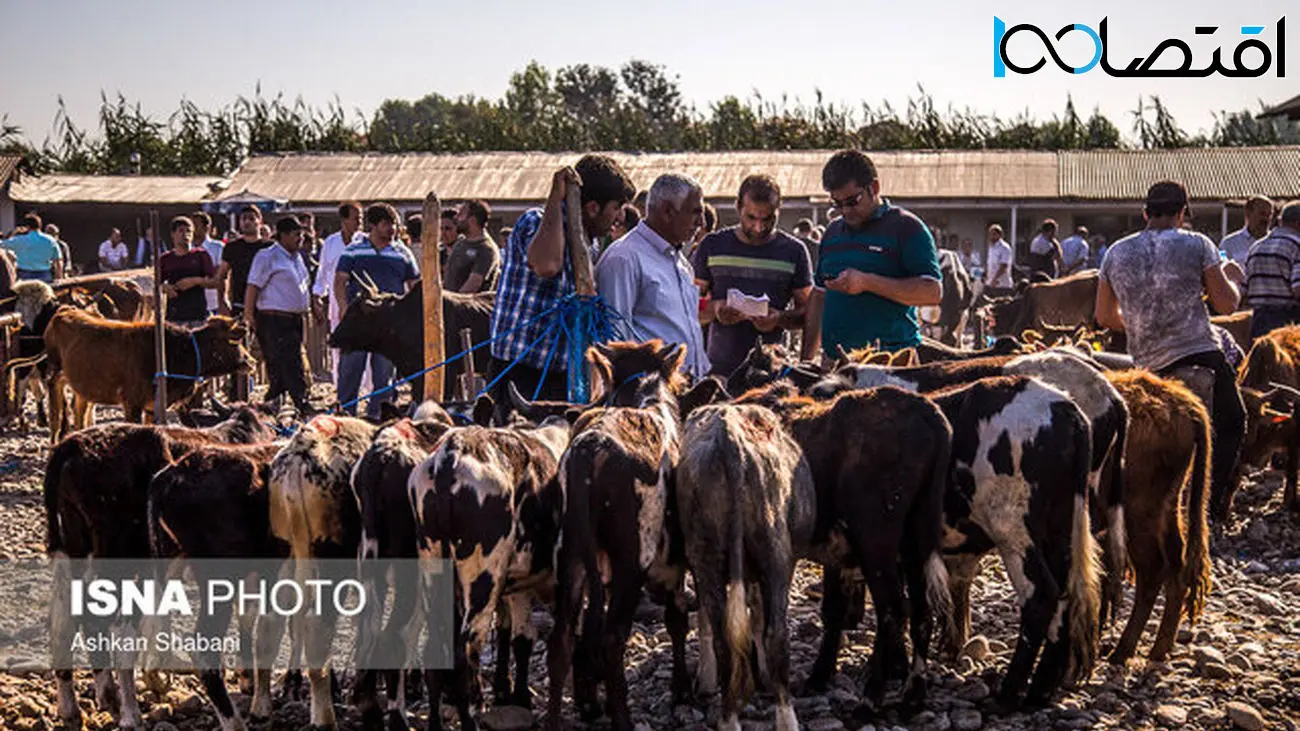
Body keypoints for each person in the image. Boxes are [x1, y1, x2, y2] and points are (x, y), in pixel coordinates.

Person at [1095, 180, 1245, 523]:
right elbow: (1226, 303)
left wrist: (1139, 321)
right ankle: (1209, 507)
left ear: (1145, 213)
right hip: (1198, 353)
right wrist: (1234, 276)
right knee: (1233, 421)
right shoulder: (1198, 244)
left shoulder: (1115, 252)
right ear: (1182, 213)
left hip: (1147, 365)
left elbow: (1104, 316)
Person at [490, 154, 635, 408]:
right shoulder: (536, 220)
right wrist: (555, 199)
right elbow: (547, 265)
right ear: (592, 208)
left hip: (561, 375)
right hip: (519, 370)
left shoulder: (590, 243)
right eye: (616, 207)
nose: (620, 216)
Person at [802, 150, 941, 359]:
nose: (846, 211)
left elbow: (932, 292)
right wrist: (806, 360)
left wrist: (867, 282)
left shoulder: (906, 227)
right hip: (835, 362)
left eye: (852, 201)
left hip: (891, 364)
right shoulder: (832, 232)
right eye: (837, 204)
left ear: (874, 188)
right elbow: (819, 296)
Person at [692, 173, 813, 378]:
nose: (759, 227)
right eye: (751, 218)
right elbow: (688, 307)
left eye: (768, 219)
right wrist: (717, 309)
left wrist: (778, 318)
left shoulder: (794, 251)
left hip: (771, 374)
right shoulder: (712, 246)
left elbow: (809, 314)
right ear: (738, 207)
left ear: (778, 210)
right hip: (718, 372)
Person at [595, 173, 710, 380]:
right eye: (695, 213)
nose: (701, 222)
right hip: (649, 396)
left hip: (684, 391)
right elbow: (614, 341)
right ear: (667, 211)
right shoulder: (624, 258)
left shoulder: (682, 263)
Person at [333, 203, 419, 419]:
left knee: (385, 377)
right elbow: (340, 280)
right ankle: (346, 415)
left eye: (394, 225)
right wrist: (343, 306)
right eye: (386, 224)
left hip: (389, 325)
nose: (391, 230)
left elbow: (414, 285)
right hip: (359, 322)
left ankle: (378, 418)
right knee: (350, 372)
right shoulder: (353, 250)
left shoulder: (403, 253)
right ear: (373, 225)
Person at [245, 216, 314, 414]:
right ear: (283, 235)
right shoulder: (267, 256)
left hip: (295, 318)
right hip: (274, 318)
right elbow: (253, 285)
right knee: (289, 361)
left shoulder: (297, 257)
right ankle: (301, 401)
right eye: (295, 234)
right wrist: (249, 314)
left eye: (301, 234)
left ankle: (271, 403)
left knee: (283, 364)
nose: (300, 238)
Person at [312, 201, 364, 381]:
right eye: (356, 218)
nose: (359, 222)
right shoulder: (330, 243)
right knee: (338, 344)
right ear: (344, 219)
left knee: (364, 345)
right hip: (337, 302)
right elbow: (323, 271)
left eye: (361, 218)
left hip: (361, 301)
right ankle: (340, 385)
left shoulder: (364, 241)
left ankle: (367, 388)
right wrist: (318, 295)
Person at [1243, 200, 1300, 338]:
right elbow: (1298, 289)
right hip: (1288, 324)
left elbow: (1245, 288)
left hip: (1258, 321)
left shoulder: (1255, 247)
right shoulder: (1296, 246)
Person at [158, 216, 217, 328]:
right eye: (181, 230)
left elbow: (214, 282)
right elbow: (157, 284)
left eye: (188, 231)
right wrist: (166, 288)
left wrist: (194, 281)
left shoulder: (201, 255)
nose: (185, 234)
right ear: (173, 234)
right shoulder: (165, 259)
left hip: (197, 316)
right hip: (174, 316)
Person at [219, 206, 272, 320]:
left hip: (267, 306)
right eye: (243, 219)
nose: (247, 222)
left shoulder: (270, 247)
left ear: (260, 221)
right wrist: (223, 301)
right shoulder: (232, 247)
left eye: (251, 218)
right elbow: (222, 276)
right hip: (239, 304)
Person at [444, 200, 501, 293]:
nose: (456, 217)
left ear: (472, 219)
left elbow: (473, 285)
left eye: (461, 214)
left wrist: (449, 303)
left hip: (465, 306)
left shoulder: (486, 249)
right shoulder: (460, 242)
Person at [1, 213, 63, 282]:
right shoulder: (51, 240)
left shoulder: (20, 240)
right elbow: (58, 260)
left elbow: (2, 244)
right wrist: (59, 277)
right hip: (44, 274)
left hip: (24, 274)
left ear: (27, 226)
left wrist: (13, 233)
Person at [190, 212, 227, 316]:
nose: (192, 229)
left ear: (207, 227)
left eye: (196, 225)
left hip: (213, 304)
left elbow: (219, 276)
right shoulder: (186, 249)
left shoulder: (218, 248)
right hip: (191, 305)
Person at [1221, 195, 1274, 267]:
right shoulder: (1228, 244)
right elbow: (1221, 268)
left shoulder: (1277, 242)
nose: (1266, 219)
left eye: (1269, 215)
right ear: (1248, 213)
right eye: (1262, 213)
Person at [983, 223, 1015, 296]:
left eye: (994, 234)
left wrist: (994, 279)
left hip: (1002, 285)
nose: (991, 237)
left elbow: (1003, 266)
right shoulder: (991, 248)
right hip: (990, 283)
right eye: (990, 234)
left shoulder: (1004, 247)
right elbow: (990, 264)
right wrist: (985, 275)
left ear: (1000, 235)